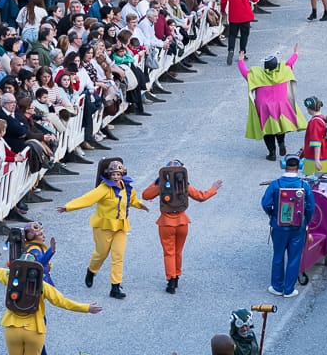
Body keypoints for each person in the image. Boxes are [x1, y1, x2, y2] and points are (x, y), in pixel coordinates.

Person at [57, 159, 148, 299]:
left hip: (121, 227)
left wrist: (139, 205)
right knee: (101, 254)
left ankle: (115, 287)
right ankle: (91, 270)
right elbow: (86, 199)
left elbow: (131, 199)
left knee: (118, 256)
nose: (116, 177)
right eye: (113, 174)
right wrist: (68, 207)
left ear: (123, 173)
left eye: (118, 174)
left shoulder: (126, 186)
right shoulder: (103, 189)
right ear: (108, 175)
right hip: (103, 227)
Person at [0, 259, 102, 355]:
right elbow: (63, 302)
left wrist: (13, 271)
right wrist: (86, 308)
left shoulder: (11, 280)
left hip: (12, 328)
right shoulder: (43, 286)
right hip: (34, 331)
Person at [140, 161, 221, 294]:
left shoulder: (161, 185)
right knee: (178, 251)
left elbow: (146, 195)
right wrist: (213, 189)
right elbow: (201, 197)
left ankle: (171, 281)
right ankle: (177, 276)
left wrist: (157, 181)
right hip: (182, 223)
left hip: (166, 223)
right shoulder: (184, 185)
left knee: (169, 252)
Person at [239, 46, 307, 161]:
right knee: (279, 126)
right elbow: (290, 62)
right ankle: (281, 143)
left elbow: (244, 72)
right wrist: (295, 53)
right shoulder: (284, 71)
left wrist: (241, 60)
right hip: (281, 104)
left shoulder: (257, 75)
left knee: (267, 130)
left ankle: (272, 153)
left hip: (264, 106)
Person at [260, 155, 314, 298]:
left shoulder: (275, 184)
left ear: (283, 165)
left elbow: (265, 204)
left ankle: (277, 287)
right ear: (300, 166)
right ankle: (289, 289)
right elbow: (310, 208)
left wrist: (272, 214)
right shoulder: (304, 186)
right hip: (298, 228)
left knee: (278, 256)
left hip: (278, 227)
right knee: (294, 257)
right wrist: (305, 222)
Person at [220, 0, 259, 66]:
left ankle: (231, 50)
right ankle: (242, 53)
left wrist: (222, 10)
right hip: (245, 14)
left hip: (234, 14)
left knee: (232, 35)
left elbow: (223, 0)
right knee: (244, 35)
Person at [300, 97, 327, 176]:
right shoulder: (322, 118)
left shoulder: (315, 122)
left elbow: (316, 142)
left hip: (318, 159)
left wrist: (317, 160)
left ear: (309, 109)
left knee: (315, 184)